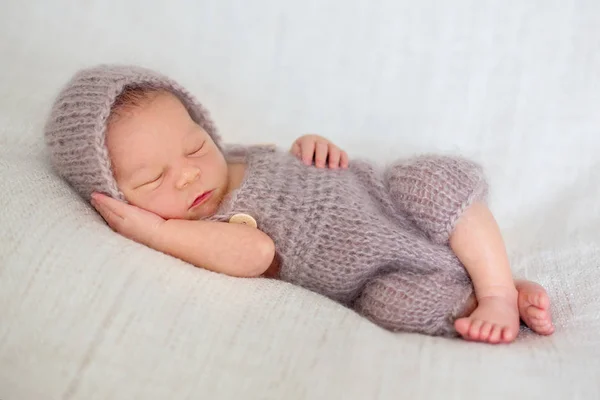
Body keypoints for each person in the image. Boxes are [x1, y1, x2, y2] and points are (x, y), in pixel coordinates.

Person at [45, 65, 554, 343]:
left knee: (430, 180)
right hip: (374, 274)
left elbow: (292, 166)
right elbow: (254, 254)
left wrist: (311, 145)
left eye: (195, 144)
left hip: (387, 199)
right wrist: (155, 233)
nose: (189, 174)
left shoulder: (236, 156)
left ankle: (496, 288)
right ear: (116, 201)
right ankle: (485, 296)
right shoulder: (206, 230)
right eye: (154, 178)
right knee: (392, 306)